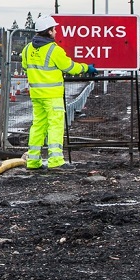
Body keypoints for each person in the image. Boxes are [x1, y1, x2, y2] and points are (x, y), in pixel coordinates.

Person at [21, 15, 96, 170]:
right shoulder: (54, 50)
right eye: (54, 29)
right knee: (55, 126)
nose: (55, 32)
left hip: (36, 95)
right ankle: (56, 162)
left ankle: (33, 161)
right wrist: (86, 68)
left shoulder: (28, 49)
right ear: (48, 32)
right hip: (52, 96)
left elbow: (24, 66)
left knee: (38, 126)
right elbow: (70, 67)